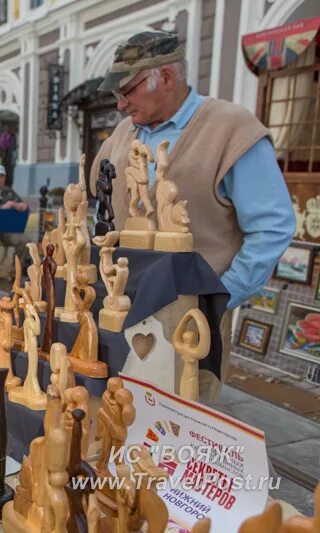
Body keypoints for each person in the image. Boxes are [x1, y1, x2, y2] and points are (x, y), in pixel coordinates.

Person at [90, 31, 295, 400]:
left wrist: (219, 297)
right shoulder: (120, 135)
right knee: (113, 415)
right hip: (118, 309)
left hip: (190, 320)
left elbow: (272, 227)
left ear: (166, 78)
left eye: (127, 91)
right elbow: (100, 208)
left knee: (181, 418)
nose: (120, 104)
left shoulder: (231, 130)